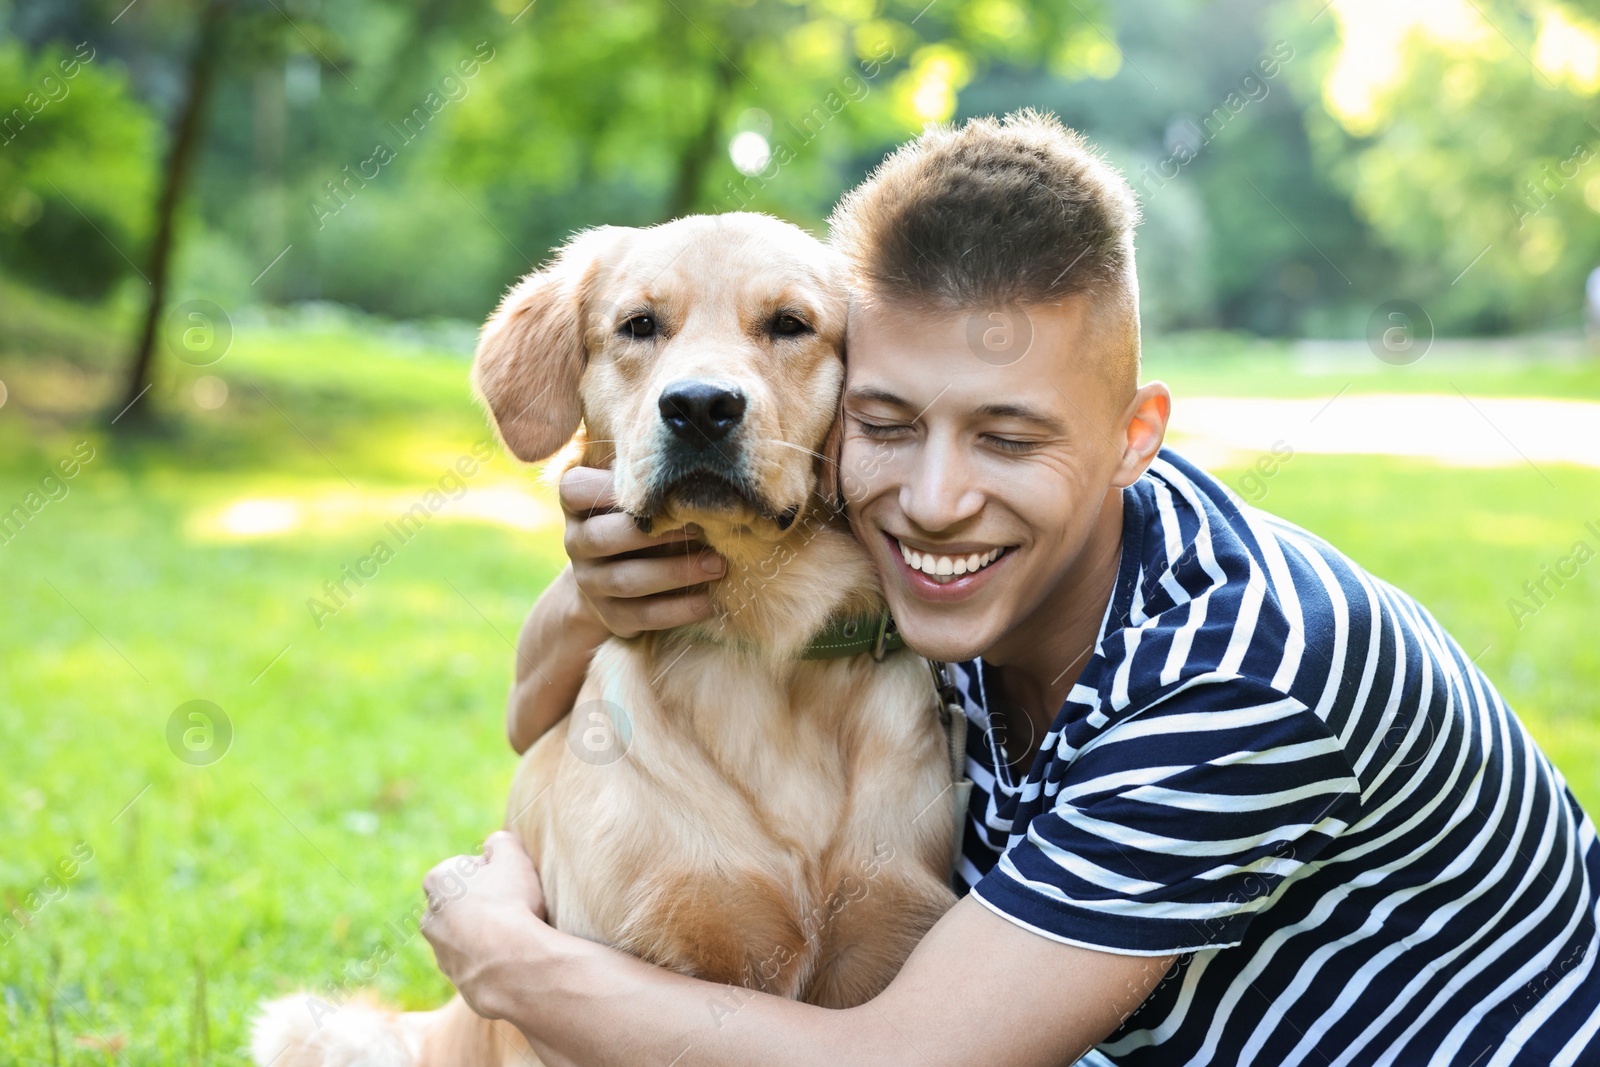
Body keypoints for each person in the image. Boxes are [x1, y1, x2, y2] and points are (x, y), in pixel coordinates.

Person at [419, 112, 1600, 1065]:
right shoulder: (929, 588)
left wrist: (510, 962)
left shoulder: (1241, 674)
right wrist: (598, 587)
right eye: (888, 422)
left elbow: (904, 1058)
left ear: (1136, 435)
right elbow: (535, 708)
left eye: (1010, 437)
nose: (934, 499)